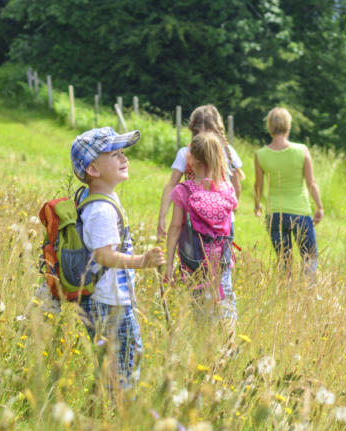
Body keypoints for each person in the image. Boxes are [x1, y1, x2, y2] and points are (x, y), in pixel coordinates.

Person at [70, 127, 165, 387]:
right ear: (93, 169)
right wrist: (141, 261)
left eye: (123, 153)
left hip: (110, 298)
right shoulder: (100, 208)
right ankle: (121, 415)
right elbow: (103, 255)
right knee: (124, 367)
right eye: (115, 154)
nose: (125, 159)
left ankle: (112, 410)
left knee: (119, 364)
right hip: (107, 303)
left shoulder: (104, 198)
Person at [165, 131, 238, 322]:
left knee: (199, 308)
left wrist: (169, 263)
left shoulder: (184, 190)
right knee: (226, 301)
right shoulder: (227, 189)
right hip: (221, 261)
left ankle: (204, 345)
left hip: (193, 263)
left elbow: (174, 229)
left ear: (193, 159)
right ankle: (228, 344)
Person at [157, 104, 243, 240]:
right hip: (197, 221)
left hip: (212, 221)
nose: (203, 136)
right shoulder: (185, 153)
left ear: (217, 131)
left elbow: (236, 185)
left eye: (208, 131)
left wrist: (231, 209)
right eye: (198, 132)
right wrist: (162, 216)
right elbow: (171, 185)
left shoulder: (227, 152)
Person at [254, 107, 324, 274]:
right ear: (289, 125)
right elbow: (311, 183)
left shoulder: (261, 154)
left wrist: (257, 205)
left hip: (275, 214)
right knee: (310, 258)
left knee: (284, 261)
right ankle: (309, 295)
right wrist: (319, 207)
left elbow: (258, 185)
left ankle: (286, 295)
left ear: (269, 126)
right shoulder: (302, 150)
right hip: (300, 212)